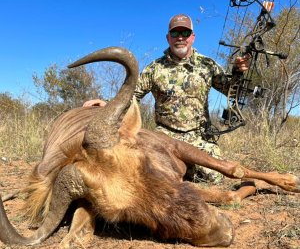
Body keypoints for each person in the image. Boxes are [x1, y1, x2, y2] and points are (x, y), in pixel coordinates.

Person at [83, 14, 250, 183]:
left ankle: (184, 168)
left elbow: (232, 92)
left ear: (193, 37)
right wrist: (108, 104)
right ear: (168, 38)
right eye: (175, 33)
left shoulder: (208, 65)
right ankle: (180, 169)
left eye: (185, 33)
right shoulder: (155, 68)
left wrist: (238, 72)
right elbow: (133, 94)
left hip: (199, 136)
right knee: (149, 172)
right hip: (165, 137)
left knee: (213, 177)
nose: (180, 38)